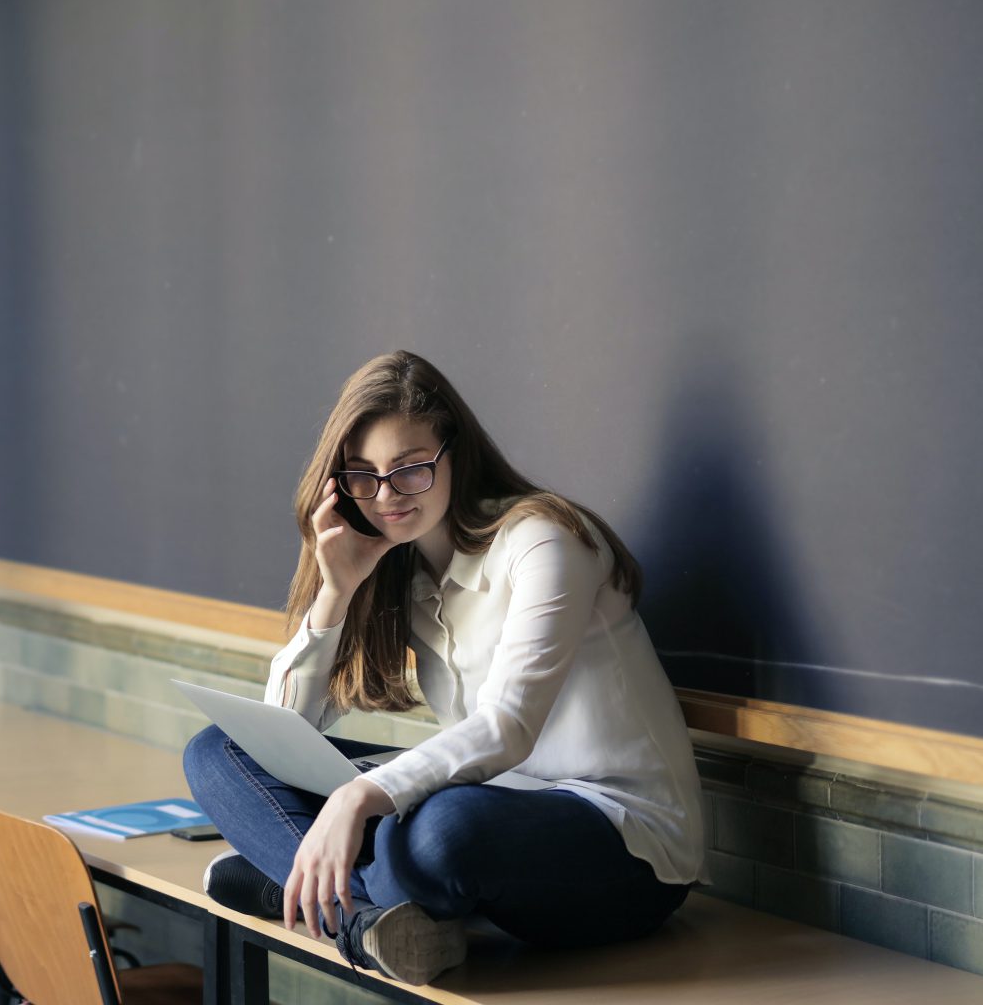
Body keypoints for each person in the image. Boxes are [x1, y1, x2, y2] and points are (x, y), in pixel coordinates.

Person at [182, 350, 702, 985]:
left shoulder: (543, 541)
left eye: (410, 470)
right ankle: (368, 919)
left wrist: (355, 799)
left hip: (625, 846)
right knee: (218, 751)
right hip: (496, 808)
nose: (386, 497)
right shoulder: (399, 568)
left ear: (456, 453)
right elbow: (286, 731)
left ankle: (293, 885)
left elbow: (509, 726)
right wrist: (334, 594)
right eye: (363, 476)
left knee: (437, 833)